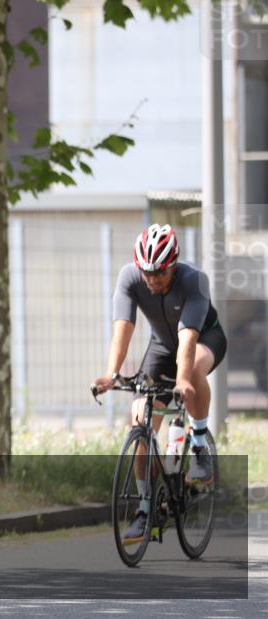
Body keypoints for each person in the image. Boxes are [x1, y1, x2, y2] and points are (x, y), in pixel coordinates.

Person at [92, 223, 227, 544]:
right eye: (147, 273)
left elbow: (188, 339)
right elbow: (122, 328)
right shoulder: (130, 278)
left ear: (174, 265)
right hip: (162, 347)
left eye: (160, 273)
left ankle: (198, 442)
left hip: (204, 339)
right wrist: (111, 374)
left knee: (191, 368)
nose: (152, 279)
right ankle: (145, 508)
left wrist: (181, 380)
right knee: (139, 422)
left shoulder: (194, 280)